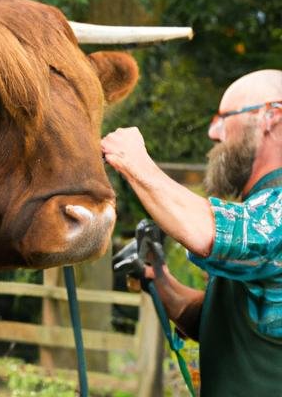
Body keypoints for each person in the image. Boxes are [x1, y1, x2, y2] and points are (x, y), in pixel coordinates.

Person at [101, 69, 282, 397]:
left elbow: (210, 232)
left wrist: (136, 162)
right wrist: (158, 279)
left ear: (272, 116)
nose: (214, 132)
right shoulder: (260, 210)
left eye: (225, 117)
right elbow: (221, 325)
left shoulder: (272, 216)